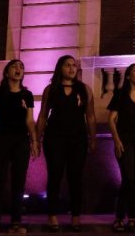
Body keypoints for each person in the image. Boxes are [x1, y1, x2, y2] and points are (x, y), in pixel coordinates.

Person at [36, 55, 96, 232]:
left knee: (75, 177)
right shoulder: (51, 89)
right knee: (54, 175)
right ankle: (52, 216)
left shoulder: (85, 89)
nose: (71, 68)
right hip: (54, 138)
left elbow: (91, 116)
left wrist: (93, 138)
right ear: (60, 68)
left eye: (74, 65)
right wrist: (36, 139)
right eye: (67, 65)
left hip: (77, 139)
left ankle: (75, 216)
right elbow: (42, 115)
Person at [0, 60, 38, 235]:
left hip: (21, 141)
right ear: (6, 73)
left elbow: (29, 120)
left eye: (21, 67)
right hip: (0, 139)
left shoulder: (27, 95)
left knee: (19, 181)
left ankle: (16, 222)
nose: (18, 69)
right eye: (14, 66)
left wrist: (34, 141)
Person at [107, 63, 135, 232]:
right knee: (128, 178)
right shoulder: (120, 94)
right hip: (124, 140)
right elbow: (112, 120)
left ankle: (132, 217)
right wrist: (117, 141)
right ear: (128, 76)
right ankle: (119, 217)